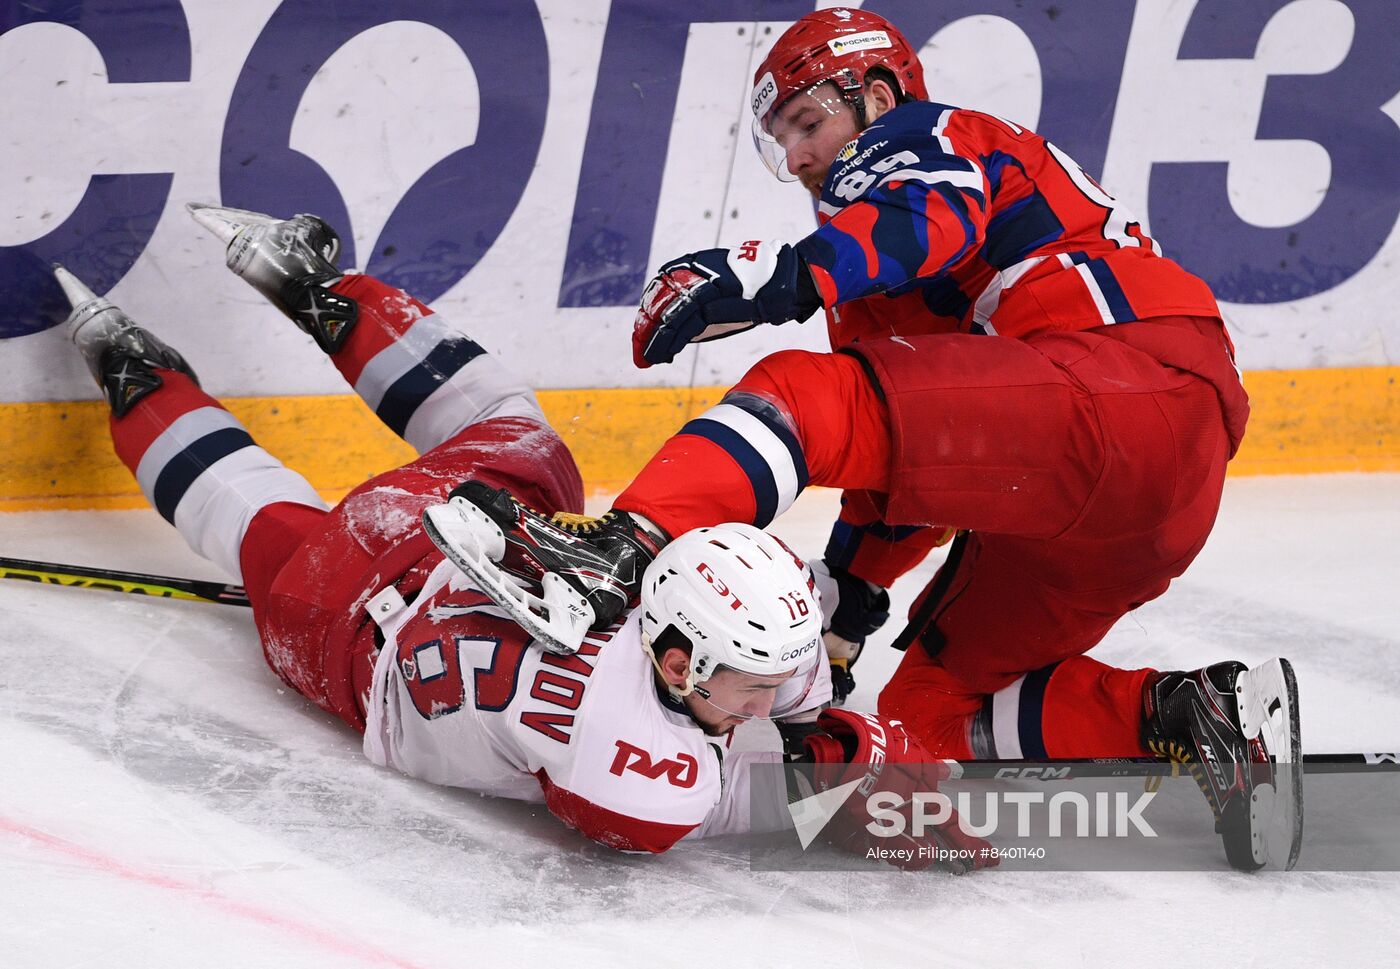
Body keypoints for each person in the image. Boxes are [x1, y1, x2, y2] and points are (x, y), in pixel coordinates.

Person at [435, 8, 1301, 870]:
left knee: (801, 390)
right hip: (1152, 491)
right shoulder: (880, 281)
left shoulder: (929, 134)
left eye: (810, 122)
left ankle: (621, 548)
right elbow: (925, 456)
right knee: (925, 713)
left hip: (1118, 384)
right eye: (782, 141)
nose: (801, 157)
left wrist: (778, 279)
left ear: (876, 92)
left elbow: (931, 220)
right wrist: (849, 596)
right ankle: (1192, 713)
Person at [56, 203, 987, 869]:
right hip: (339, 631)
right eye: (752, 682)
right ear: (676, 664)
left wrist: (824, 726)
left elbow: (768, 707)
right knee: (256, 518)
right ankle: (134, 370)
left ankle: (321, 290)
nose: (768, 691)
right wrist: (872, 769)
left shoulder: (690, 629)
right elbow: (768, 781)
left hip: (435, 541)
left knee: (517, 428)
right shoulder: (646, 780)